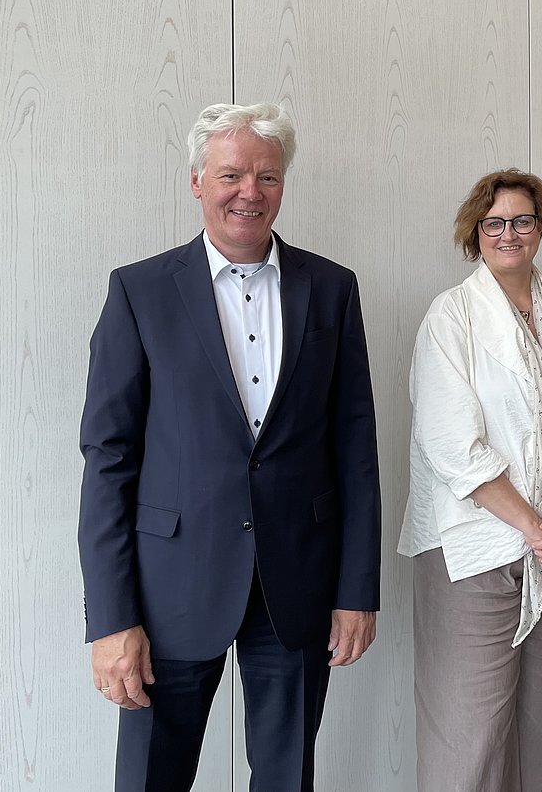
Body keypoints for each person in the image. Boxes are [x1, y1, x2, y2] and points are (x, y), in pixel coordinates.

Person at [78, 102, 382, 792]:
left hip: (297, 581)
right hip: (170, 589)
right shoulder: (140, 292)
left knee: (286, 776)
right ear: (197, 182)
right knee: (152, 777)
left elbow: (354, 449)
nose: (250, 192)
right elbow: (108, 461)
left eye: (267, 177)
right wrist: (112, 617)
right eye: (231, 175)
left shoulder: (331, 289)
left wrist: (357, 589)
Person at [399, 168, 542, 792]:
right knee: (467, 734)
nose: (509, 233)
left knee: (538, 719)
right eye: (494, 223)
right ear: (476, 233)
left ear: (540, 227)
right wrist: (535, 526)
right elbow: (454, 448)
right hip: (475, 549)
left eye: (522, 220)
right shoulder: (451, 318)